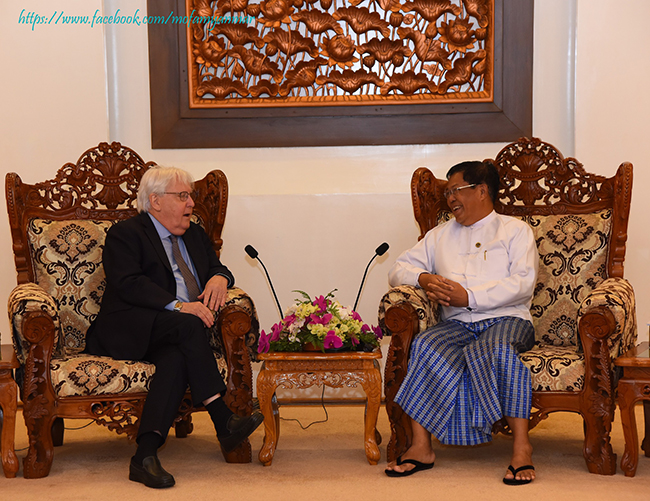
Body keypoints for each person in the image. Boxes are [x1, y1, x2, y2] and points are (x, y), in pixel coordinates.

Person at [86, 166, 263, 488]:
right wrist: (181, 306)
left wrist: (219, 278)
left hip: (174, 331)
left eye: (191, 196)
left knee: (176, 359)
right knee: (187, 325)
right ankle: (222, 419)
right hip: (129, 325)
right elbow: (129, 284)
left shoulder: (193, 233)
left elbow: (216, 265)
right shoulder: (126, 234)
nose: (191, 203)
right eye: (182, 196)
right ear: (155, 201)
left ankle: (145, 454)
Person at [384, 160, 539, 485]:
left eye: (456, 190)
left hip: (508, 319)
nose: (450, 198)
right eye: (448, 192)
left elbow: (523, 283)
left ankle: (522, 449)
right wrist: (424, 278)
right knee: (425, 344)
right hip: (458, 326)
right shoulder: (439, 235)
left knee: (493, 348)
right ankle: (421, 447)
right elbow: (397, 269)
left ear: (482, 191)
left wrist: (468, 297)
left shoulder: (515, 230)